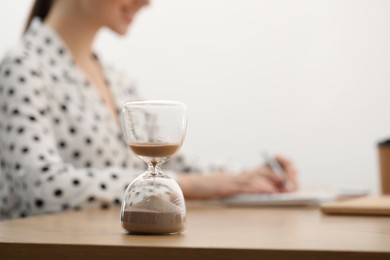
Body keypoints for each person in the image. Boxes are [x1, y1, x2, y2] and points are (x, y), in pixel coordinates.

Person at [0, 0, 298, 220]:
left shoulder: (117, 80)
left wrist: (249, 176)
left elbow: (170, 161)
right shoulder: (22, 68)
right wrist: (192, 186)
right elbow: (41, 189)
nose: (147, 2)